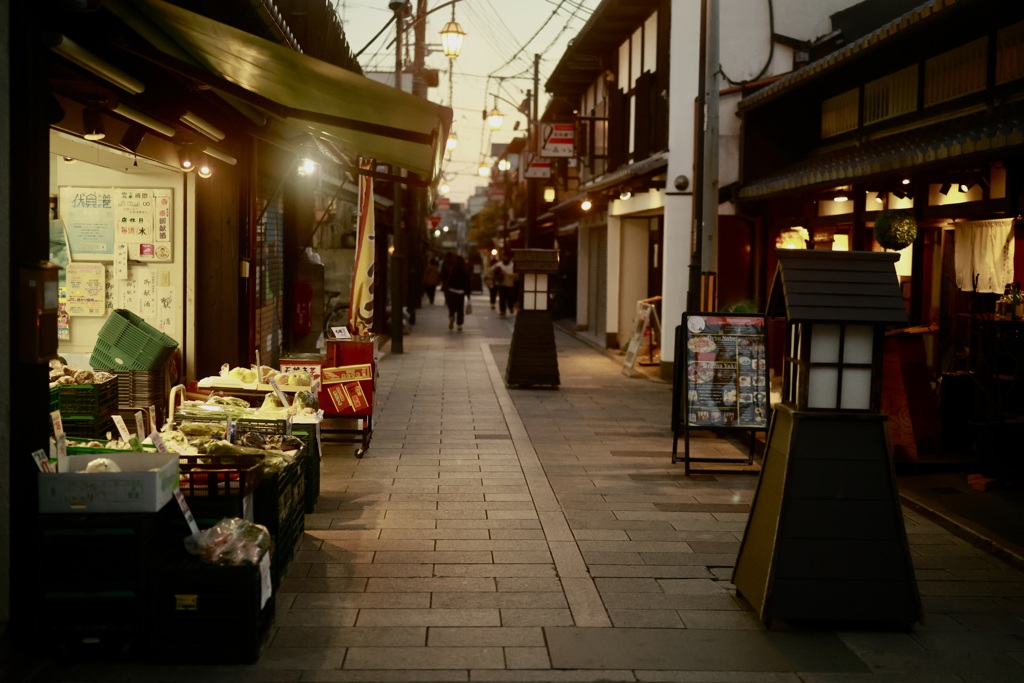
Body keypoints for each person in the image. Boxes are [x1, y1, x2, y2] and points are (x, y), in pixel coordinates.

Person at [445, 254, 471, 331]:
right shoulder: (465, 272)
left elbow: (448, 281)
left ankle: (452, 316)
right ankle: (459, 324)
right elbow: (467, 284)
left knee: (452, 307)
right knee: (460, 309)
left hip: (452, 291)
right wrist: (468, 295)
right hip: (461, 292)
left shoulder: (452, 270)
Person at [493, 253, 516, 318]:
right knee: (502, 298)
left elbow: (516, 275)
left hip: (510, 284)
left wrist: (507, 274)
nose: (505, 258)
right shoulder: (499, 264)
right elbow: (492, 271)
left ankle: (510, 307)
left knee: (510, 298)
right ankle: (502, 311)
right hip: (501, 284)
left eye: (506, 257)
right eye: (504, 257)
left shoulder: (513, 266)